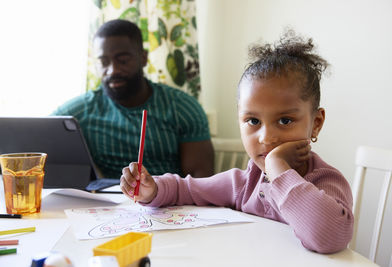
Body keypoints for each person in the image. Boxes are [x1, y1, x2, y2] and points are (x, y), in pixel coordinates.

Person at [119, 30, 354, 253]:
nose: (266, 137)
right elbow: (188, 189)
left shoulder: (325, 181)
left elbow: (328, 237)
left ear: (316, 123)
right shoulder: (246, 183)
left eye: (284, 120)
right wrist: (153, 190)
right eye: (253, 121)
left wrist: (277, 167)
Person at [52, 19, 214, 179]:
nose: (112, 70)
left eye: (123, 60)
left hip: (169, 202)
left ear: (143, 58)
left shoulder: (182, 107)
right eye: (103, 62)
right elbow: (40, 136)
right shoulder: (80, 111)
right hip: (105, 202)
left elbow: (200, 180)